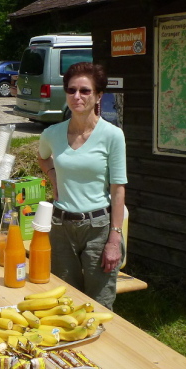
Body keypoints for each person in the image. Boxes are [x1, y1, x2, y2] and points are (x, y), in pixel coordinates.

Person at [37, 62, 127, 310]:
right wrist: (53, 177)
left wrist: (114, 240)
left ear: (98, 95)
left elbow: (118, 189)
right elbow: (43, 157)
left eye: (85, 90)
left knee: (99, 304)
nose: (77, 96)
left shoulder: (112, 135)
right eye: (71, 90)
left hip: (98, 228)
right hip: (60, 226)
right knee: (63, 300)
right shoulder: (52, 133)